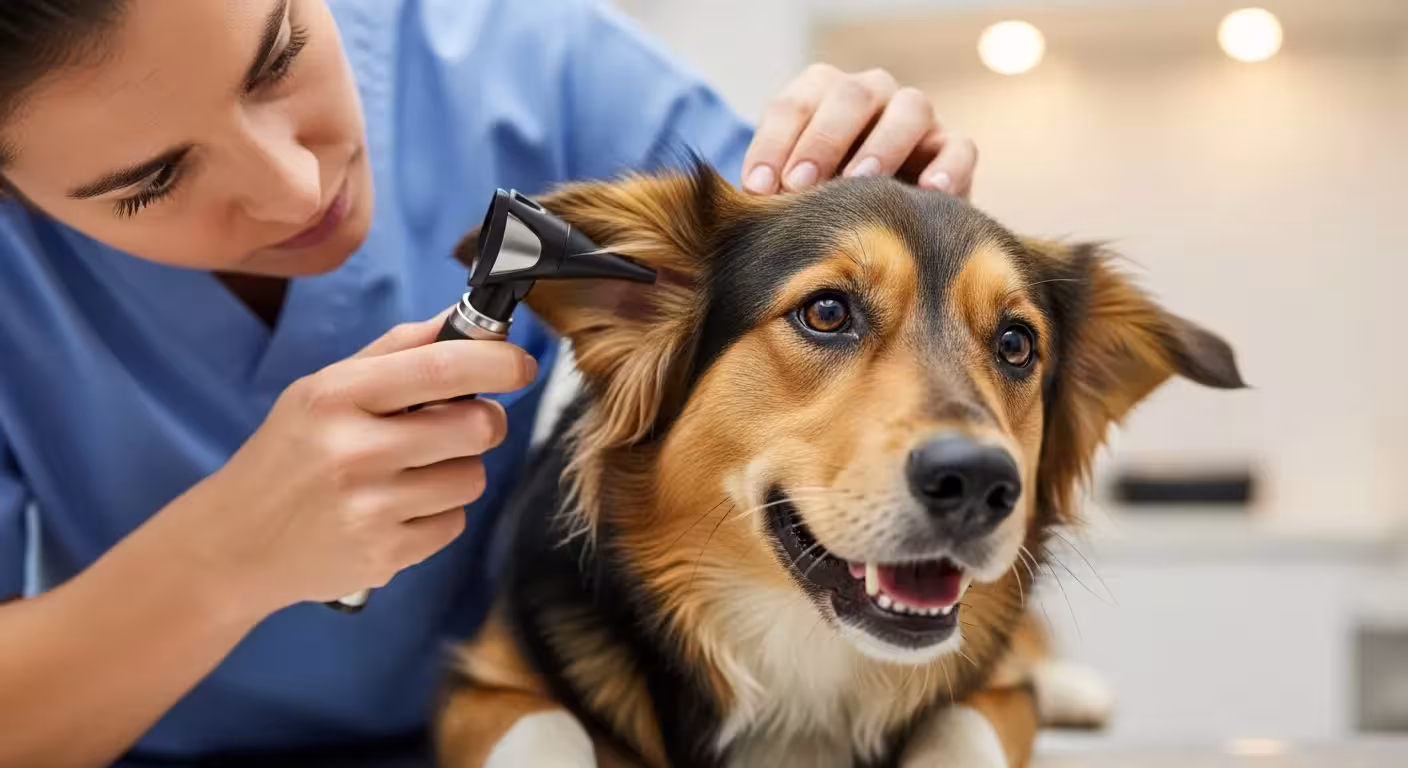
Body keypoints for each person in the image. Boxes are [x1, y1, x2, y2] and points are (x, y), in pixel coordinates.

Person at [0, 0, 978, 765]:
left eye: (281, 54)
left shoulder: (519, 53)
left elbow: (817, 288)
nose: (296, 187)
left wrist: (897, 214)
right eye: (153, 182)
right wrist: (226, 559)